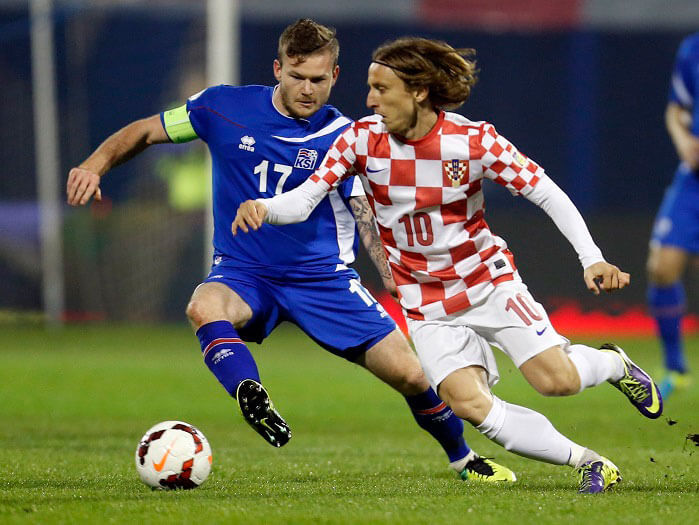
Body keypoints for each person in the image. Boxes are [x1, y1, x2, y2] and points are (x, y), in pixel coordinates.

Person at [66, 20, 515, 482]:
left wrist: (392, 276)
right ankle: (249, 391)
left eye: (318, 80)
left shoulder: (349, 137)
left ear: (335, 77)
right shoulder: (222, 107)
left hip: (323, 280)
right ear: (278, 68)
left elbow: (365, 213)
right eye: (297, 76)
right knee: (203, 306)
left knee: (411, 375)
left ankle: (464, 459)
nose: (307, 89)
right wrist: (94, 165)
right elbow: (145, 131)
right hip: (245, 272)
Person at [233, 36, 664, 494]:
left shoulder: (474, 141)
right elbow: (305, 198)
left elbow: (546, 191)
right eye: (370, 87)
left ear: (418, 91)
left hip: (486, 283)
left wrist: (591, 258)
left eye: (382, 88)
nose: (369, 99)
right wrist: (266, 207)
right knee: (467, 404)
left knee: (555, 381)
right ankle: (589, 462)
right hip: (425, 301)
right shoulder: (360, 140)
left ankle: (613, 365)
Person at [646, 32, 698, 399]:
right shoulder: (692, 49)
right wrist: (684, 143)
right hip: (693, 179)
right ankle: (676, 367)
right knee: (662, 267)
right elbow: (675, 110)